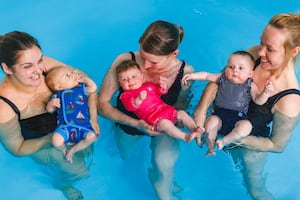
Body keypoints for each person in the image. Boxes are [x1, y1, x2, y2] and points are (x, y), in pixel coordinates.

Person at [193, 13, 300, 200]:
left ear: (293, 52)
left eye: (270, 49)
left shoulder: (289, 101)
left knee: (255, 190)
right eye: (261, 43)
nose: (260, 52)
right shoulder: (254, 56)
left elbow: (276, 145)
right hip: (219, 120)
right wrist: (200, 112)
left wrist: (231, 137)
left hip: (249, 145)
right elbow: (219, 81)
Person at [98, 20, 194, 199]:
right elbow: (101, 105)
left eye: (154, 61)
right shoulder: (126, 61)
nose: (146, 65)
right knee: (127, 156)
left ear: (174, 54)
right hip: (129, 123)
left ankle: (162, 185)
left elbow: (181, 107)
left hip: (163, 122)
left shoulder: (185, 72)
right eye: (143, 57)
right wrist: (136, 123)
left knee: (164, 165)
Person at [0, 31, 99, 200]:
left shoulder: (46, 65)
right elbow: (17, 148)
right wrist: (53, 141)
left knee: (85, 152)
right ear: (7, 68)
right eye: (27, 66)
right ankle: (63, 184)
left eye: (39, 61)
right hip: (44, 143)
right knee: (79, 171)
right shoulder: (4, 106)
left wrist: (93, 119)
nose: (39, 70)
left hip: (73, 125)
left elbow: (86, 83)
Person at [182, 50, 274, 156]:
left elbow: (258, 100)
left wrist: (266, 93)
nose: (235, 71)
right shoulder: (222, 78)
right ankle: (211, 147)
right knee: (211, 121)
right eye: (231, 67)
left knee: (247, 126)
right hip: (219, 116)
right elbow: (207, 76)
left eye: (240, 68)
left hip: (238, 119)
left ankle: (224, 141)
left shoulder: (251, 85)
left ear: (250, 74)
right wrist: (192, 76)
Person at [116, 60, 202, 142]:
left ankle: (194, 128)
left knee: (182, 113)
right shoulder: (125, 95)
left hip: (166, 110)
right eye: (124, 79)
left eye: (134, 76)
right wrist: (139, 99)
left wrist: (163, 86)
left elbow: (161, 92)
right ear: (120, 82)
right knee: (166, 124)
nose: (130, 81)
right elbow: (130, 106)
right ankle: (184, 136)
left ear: (141, 76)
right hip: (154, 119)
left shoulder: (148, 86)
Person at [45, 65, 99, 163]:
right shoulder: (58, 95)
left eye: (72, 73)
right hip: (66, 127)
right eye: (67, 75)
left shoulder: (81, 89)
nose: (73, 75)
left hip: (83, 127)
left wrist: (85, 80)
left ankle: (73, 151)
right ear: (59, 87)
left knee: (92, 137)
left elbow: (93, 88)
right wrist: (51, 104)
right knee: (56, 140)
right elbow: (50, 111)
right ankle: (64, 151)